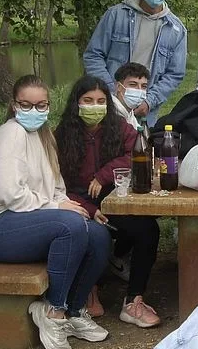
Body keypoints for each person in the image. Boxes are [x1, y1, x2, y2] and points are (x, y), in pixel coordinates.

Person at [0, 75, 111, 349]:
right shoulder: (11, 135)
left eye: (41, 105)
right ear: (14, 105)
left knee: (98, 235)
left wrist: (67, 204)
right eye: (26, 105)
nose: (34, 111)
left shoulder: (44, 137)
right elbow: (10, 195)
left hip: (24, 221)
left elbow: (57, 188)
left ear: (48, 106)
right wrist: (57, 208)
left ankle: (73, 310)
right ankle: (53, 311)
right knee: (69, 226)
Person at [55, 76, 162, 328]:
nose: (95, 106)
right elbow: (54, 183)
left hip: (112, 200)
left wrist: (103, 176)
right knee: (93, 234)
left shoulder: (118, 126)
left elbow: (138, 151)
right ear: (76, 103)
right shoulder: (62, 136)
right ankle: (87, 289)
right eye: (88, 100)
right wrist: (89, 209)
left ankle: (133, 300)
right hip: (74, 203)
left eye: (101, 101)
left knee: (147, 229)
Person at [83, 0, 188, 126]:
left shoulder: (176, 29)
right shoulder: (115, 15)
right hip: (109, 104)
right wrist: (111, 91)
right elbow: (93, 55)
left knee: (141, 142)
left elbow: (175, 74)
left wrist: (150, 101)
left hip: (145, 110)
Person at [111, 62, 150, 129]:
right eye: (133, 85)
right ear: (118, 87)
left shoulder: (129, 113)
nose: (139, 90)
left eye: (144, 86)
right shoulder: (110, 114)